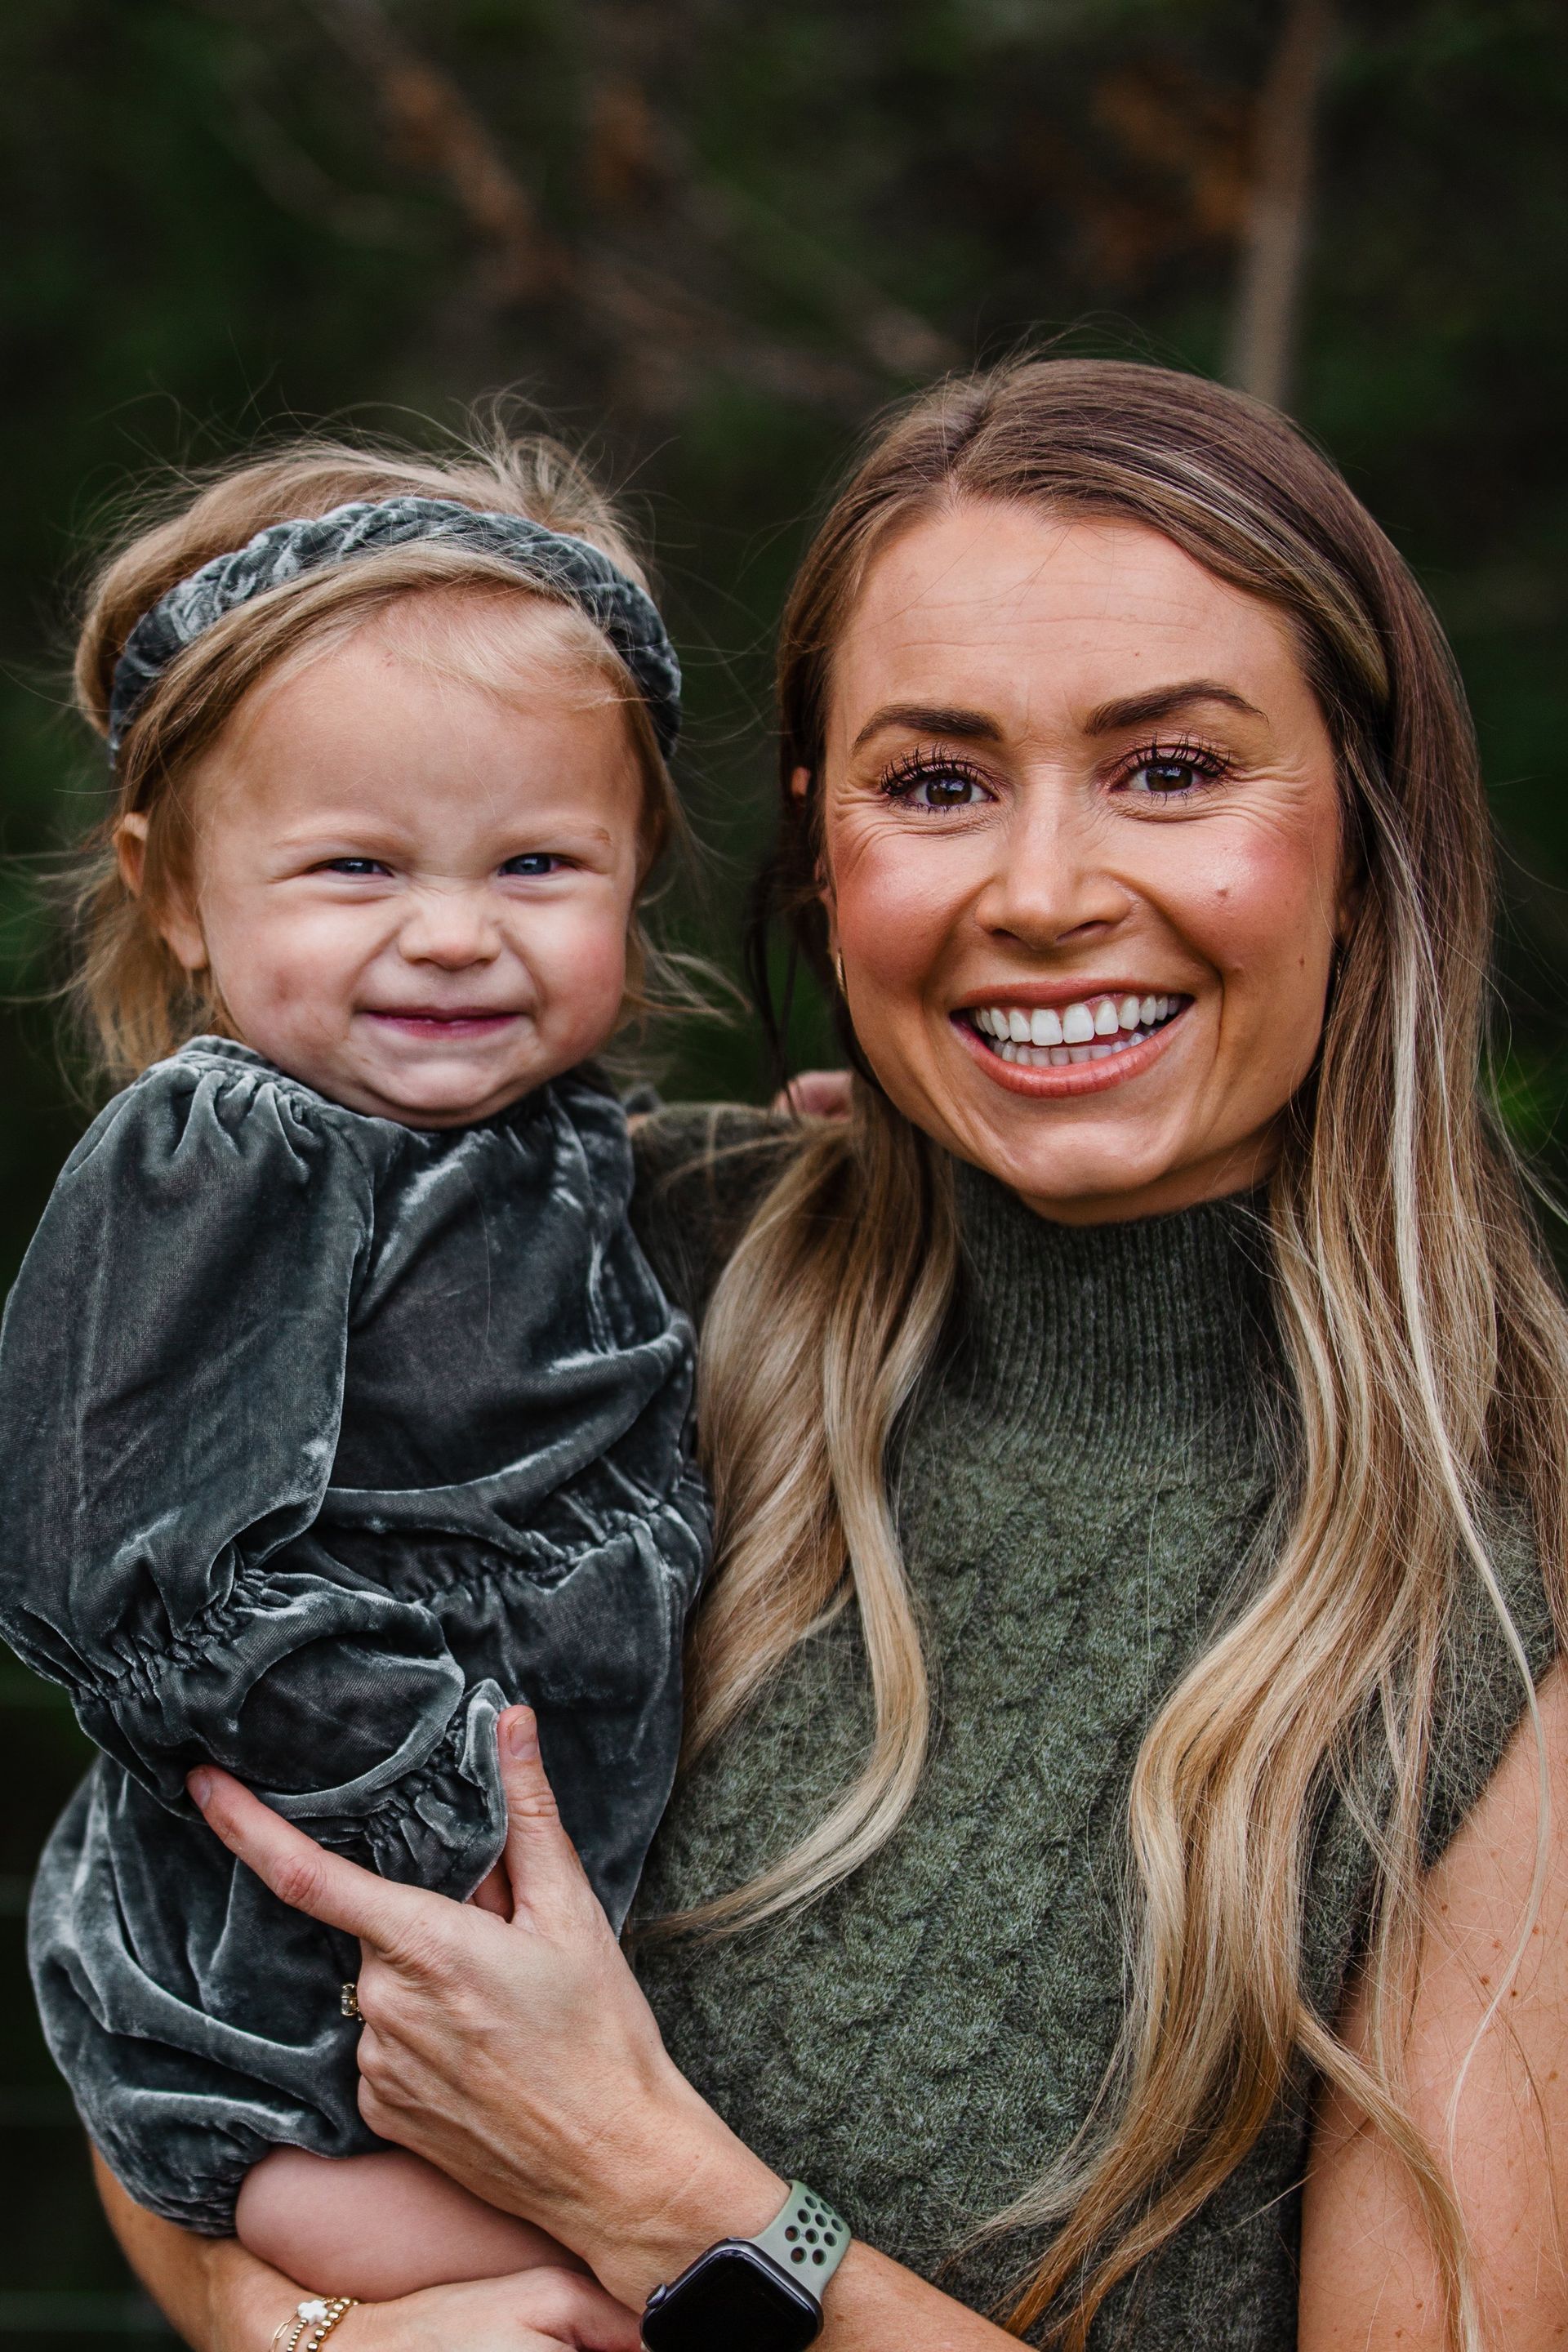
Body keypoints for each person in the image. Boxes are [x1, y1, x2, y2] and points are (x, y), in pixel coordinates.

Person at [88, 358, 1568, 2349]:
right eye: (939, 785)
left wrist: (670, 2205)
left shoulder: (1515, 1568)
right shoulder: (596, 1268)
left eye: (1176, 769)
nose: (1044, 893)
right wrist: (312, 2334)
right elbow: (148, 1957)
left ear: (1370, 822)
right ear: (818, 845)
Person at [0, 434, 714, 2309]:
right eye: (356, 866)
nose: (456, 931)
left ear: (635, 878)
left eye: (540, 862)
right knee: (628, 2296)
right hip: (290, 1999)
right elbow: (129, 1583)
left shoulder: (546, 1130)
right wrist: (435, 1806)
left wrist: (785, 1150)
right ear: (176, 897)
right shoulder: (231, 1149)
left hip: (459, 1988)